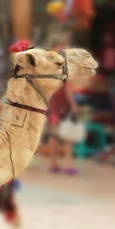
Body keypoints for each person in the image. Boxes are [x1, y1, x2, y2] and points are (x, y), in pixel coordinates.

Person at [46, 34, 80, 175]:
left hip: (51, 103)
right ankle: (67, 164)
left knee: (54, 134)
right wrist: (73, 104)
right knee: (66, 135)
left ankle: (54, 163)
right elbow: (68, 88)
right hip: (60, 104)